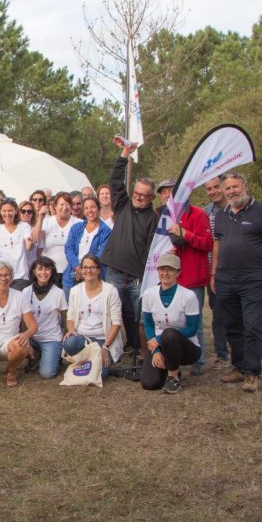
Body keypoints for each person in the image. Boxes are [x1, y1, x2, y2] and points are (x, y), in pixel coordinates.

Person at [212, 172, 262, 394]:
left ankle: (252, 373)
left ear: (245, 185)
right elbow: (217, 245)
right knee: (231, 325)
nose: (232, 191)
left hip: (252, 279)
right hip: (225, 278)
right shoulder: (222, 214)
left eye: (236, 186)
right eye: (228, 188)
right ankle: (239, 367)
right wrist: (213, 274)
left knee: (252, 324)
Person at [99, 138, 158, 358]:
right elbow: (115, 180)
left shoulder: (153, 217)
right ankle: (112, 348)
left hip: (137, 277)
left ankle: (142, 350)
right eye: (136, 192)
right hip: (114, 270)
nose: (138, 197)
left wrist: (146, 276)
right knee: (114, 312)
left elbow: (153, 248)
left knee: (140, 314)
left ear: (151, 197)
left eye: (143, 195)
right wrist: (124, 154)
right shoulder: (123, 204)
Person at [157, 180, 213, 376]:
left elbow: (207, 244)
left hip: (192, 278)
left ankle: (199, 362)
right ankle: (174, 360)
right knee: (171, 321)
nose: (168, 197)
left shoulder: (198, 214)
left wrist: (185, 234)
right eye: (164, 193)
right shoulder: (163, 217)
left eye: (171, 192)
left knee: (194, 322)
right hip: (170, 279)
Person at [140, 254, 202, 394]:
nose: (165, 273)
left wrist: (159, 339)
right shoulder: (149, 294)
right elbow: (148, 325)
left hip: (186, 347)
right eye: (162, 269)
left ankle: (173, 377)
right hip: (159, 345)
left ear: (178, 272)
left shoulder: (188, 296)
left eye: (170, 269)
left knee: (169, 333)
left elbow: (192, 329)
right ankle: (170, 367)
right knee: (149, 383)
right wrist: (156, 351)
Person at [63, 254, 123, 378]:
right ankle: (86, 360)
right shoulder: (75, 291)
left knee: (100, 375)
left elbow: (116, 323)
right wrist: (71, 330)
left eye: (92, 267)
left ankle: (89, 361)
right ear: (81, 269)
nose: (88, 271)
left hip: (103, 340)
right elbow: (70, 317)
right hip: (83, 339)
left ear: (99, 270)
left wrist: (106, 347)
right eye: (85, 267)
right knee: (69, 343)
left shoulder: (110, 291)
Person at [22, 257, 69, 379]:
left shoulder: (59, 293)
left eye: (47, 269)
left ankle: (55, 356)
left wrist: (65, 338)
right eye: (40, 268)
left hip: (51, 338)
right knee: (16, 344)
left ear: (52, 272)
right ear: (33, 271)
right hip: (32, 337)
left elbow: (65, 318)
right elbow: (22, 320)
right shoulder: (25, 292)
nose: (43, 272)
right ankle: (36, 354)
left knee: (47, 374)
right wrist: (26, 341)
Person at [202, 176, 230, 368]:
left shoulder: (237, 209)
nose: (213, 191)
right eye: (209, 189)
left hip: (236, 270)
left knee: (248, 315)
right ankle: (222, 354)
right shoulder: (206, 212)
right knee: (218, 314)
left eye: (216, 187)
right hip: (212, 272)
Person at [31, 192, 79, 287]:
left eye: (67, 204)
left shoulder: (78, 223)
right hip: (50, 272)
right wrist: (40, 219)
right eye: (61, 204)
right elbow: (35, 239)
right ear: (55, 206)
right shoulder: (47, 221)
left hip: (71, 271)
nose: (64, 207)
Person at [0, 199, 34, 291]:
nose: (7, 213)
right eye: (4, 211)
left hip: (20, 276)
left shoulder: (24, 226)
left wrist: (30, 243)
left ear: (16, 211)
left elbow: (29, 247)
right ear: (0, 212)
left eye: (10, 210)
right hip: (1, 275)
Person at [64, 197, 112, 286]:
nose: (90, 210)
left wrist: (85, 269)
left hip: (94, 277)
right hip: (73, 276)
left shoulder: (106, 231)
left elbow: (101, 254)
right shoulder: (76, 227)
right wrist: (77, 267)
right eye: (86, 208)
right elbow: (68, 248)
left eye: (93, 207)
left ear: (99, 209)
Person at [18, 200, 40, 271]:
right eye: (23, 211)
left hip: (32, 268)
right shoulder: (14, 228)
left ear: (33, 214)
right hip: (18, 268)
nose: (26, 213)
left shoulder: (37, 229)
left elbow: (39, 253)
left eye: (29, 211)